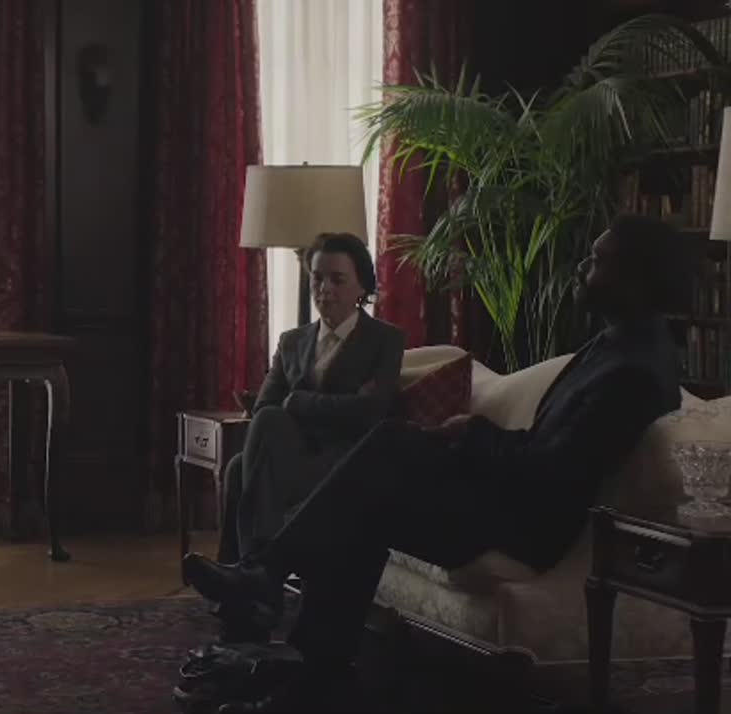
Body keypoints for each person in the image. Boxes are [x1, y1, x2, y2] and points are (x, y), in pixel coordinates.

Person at [182, 214, 685, 712]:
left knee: (385, 460)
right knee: (380, 474)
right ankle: (312, 667)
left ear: (635, 279)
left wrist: (475, 436)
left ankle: (277, 598)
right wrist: (471, 435)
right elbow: (548, 447)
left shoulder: (634, 373)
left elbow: (553, 470)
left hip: (524, 525)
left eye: (596, 261)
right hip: (511, 497)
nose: (581, 269)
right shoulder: (617, 345)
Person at [218, 233, 404, 571]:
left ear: (361, 286)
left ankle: (251, 572)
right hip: (293, 454)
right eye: (317, 278)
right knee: (240, 463)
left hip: (343, 460)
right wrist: (342, 403)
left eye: (337, 279)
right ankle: (246, 573)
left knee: (247, 462)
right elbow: (264, 408)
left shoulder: (384, 339)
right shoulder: (292, 341)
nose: (324, 289)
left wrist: (299, 402)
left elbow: (371, 412)